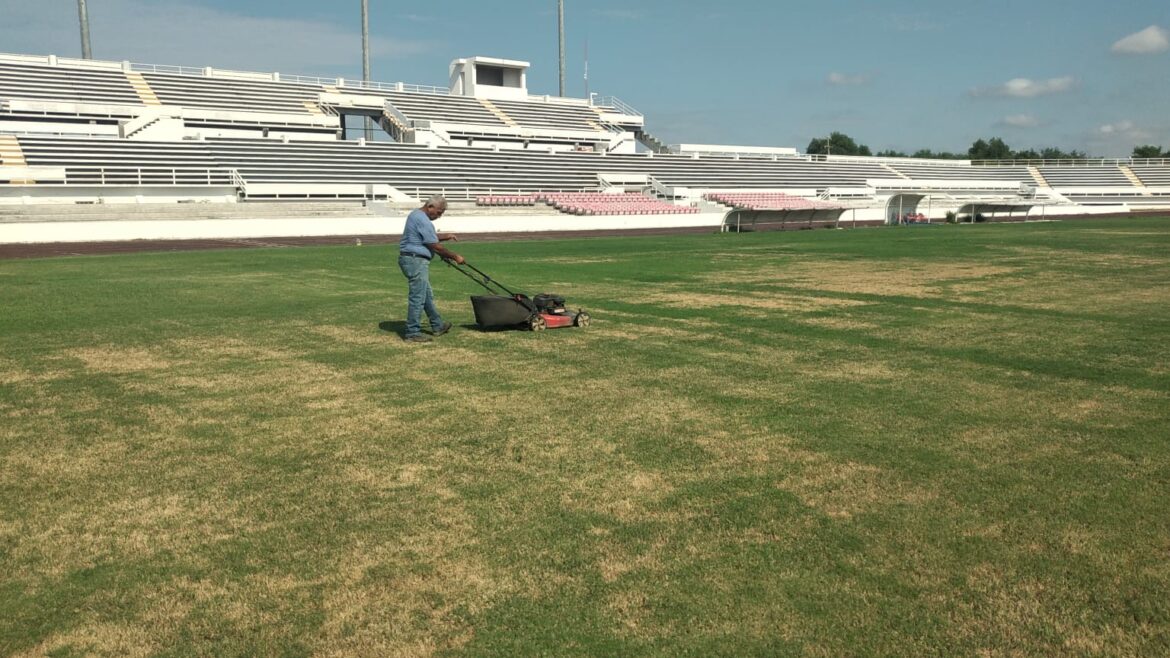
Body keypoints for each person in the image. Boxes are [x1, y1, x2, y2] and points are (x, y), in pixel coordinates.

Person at [398, 195, 464, 343]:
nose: (439, 216)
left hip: (412, 259)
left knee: (426, 296)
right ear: (430, 207)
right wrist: (455, 256)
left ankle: (437, 325)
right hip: (415, 260)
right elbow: (433, 244)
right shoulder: (422, 219)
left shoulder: (416, 216)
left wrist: (443, 237)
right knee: (418, 297)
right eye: (439, 212)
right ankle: (412, 333)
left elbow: (425, 238)